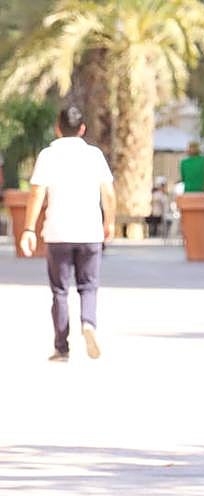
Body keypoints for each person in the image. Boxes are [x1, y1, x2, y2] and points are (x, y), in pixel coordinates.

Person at [19, 105, 116, 362]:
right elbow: (108, 193)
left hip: (57, 233)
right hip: (90, 232)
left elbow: (37, 194)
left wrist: (28, 229)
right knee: (88, 287)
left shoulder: (48, 155)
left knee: (60, 291)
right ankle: (88, 323)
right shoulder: (94, 155)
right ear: (82, 129)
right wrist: (110, 222)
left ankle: (62, 348)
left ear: (57, 128)